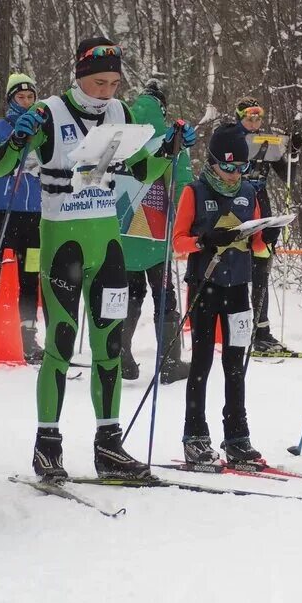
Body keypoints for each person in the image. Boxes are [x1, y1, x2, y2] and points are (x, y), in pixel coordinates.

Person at [0, 37, 197, 481]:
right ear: (80, 77)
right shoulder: (49, 111)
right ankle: (48, 444)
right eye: (99, 82)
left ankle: (109, 446)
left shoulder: (120, 114)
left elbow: (141, 171)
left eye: (114, 83)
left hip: (108, 244)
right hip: (62, 242)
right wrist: (18, 137)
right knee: (61, 343)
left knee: (110, 346)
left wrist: (169, 148)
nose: (107, 91)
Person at [171, 123, 266, 465]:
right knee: (202, 362)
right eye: (227, 167)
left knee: (235, 364)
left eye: (240, 167)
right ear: (212, 162)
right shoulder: (194, 193)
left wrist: (266, 239)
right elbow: (178, 240)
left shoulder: (249, 193)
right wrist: (204, 241)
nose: (232, 174)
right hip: (205, 285)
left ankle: (237, 436)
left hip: (238, 286)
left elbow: (256, 241)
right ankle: (195, 435)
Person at [118, 79, 191, 383]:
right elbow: (184, 187)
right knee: (164, 296)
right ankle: (169, 361)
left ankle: (120, 352)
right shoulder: (170, 142)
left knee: (129, 295)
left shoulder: (122, 137)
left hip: (120, 227)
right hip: (155, 229)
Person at [0, 73, 44, 362]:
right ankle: (0, 328)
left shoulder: (42, 131)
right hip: (6, 215)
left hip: (34, 216)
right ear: (10, 100)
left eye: (30, 97)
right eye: (21, 97)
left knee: (31, 275)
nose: (27, 102)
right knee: (3, 273)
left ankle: (28, 335)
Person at [234, 97, 302, 356]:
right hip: (238, 207)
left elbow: (287, 176)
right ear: (239, 117)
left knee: (261, 267)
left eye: (258, 117)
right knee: (239, 269)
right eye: (249, 117)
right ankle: (239, 329)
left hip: (262, 207)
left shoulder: (265, 142)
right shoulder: (230, 137)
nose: (254, 122)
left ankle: (261, 330)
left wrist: (293, 153)